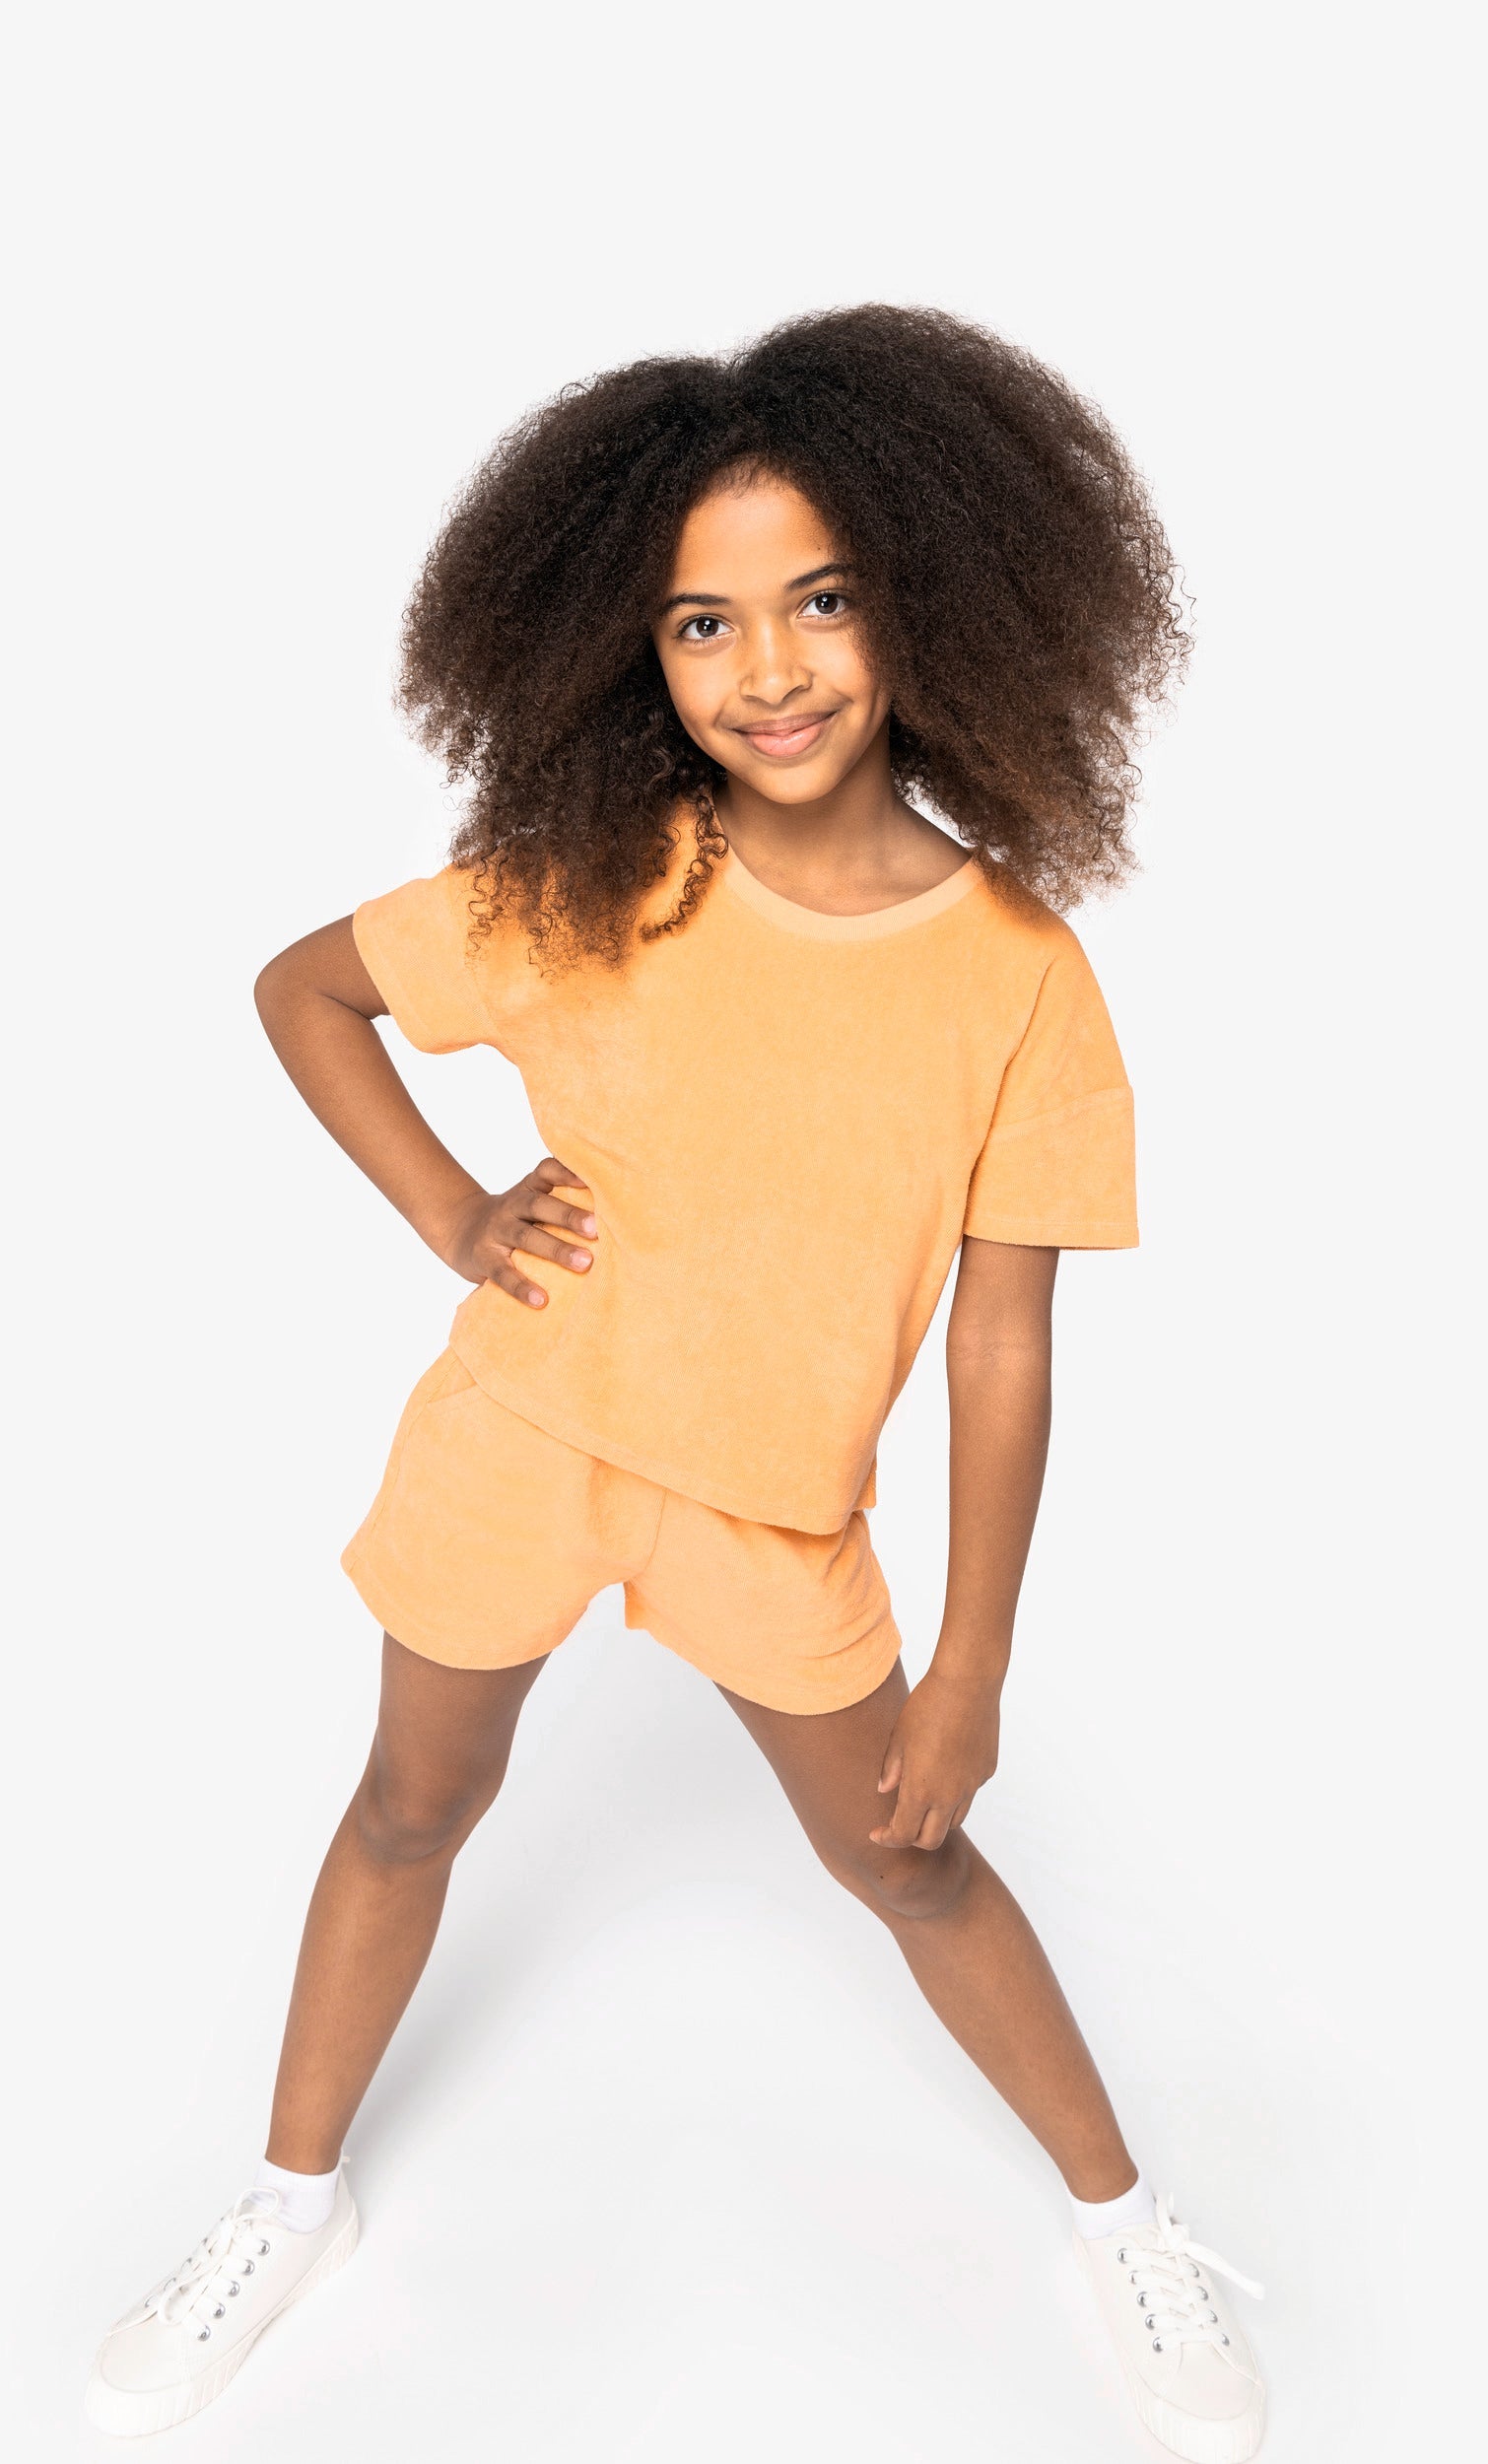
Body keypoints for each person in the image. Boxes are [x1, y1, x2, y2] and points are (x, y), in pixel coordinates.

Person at [86, 306, 1266, 2459]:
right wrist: (456, 1216)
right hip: (523, 1435)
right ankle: (284, 2206)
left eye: (823, 598)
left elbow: (1002, 1340)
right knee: (410, 1804)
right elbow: (307, 989)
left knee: (911, 1860)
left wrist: (971, 1661)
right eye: (701, 622)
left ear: (935, 598)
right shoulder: (591, 881)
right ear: (630, 653)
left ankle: (1128, 2222)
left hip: (775, 1507)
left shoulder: (1018, 973)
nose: (768, 668)